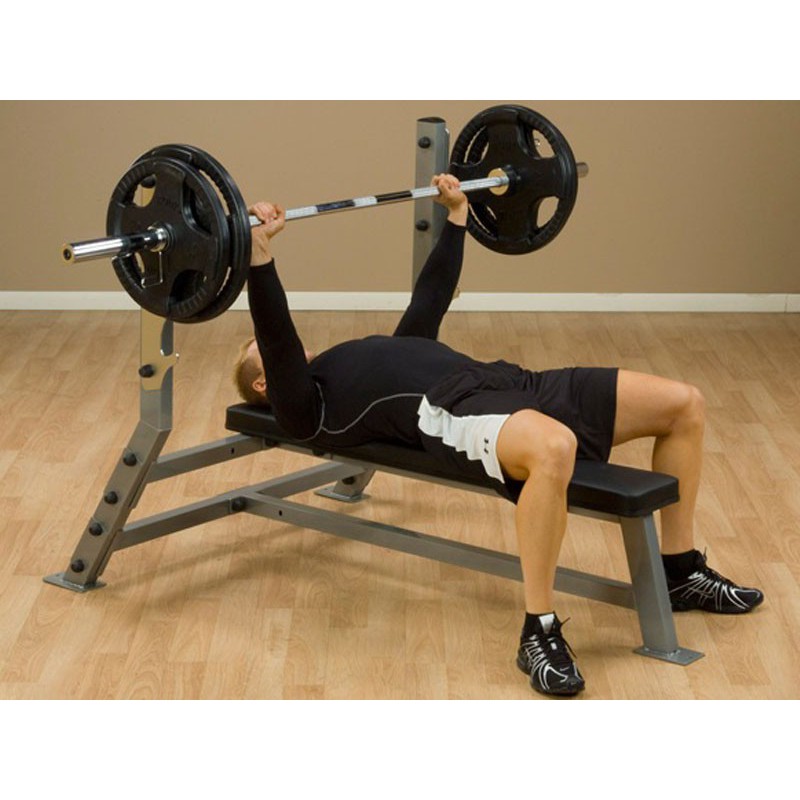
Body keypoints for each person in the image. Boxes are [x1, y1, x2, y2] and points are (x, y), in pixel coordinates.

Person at [235, 175, 764, 697]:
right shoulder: (308, 410)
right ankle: (539, 629)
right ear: (264, 384)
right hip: (453, 411)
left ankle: (679, 572)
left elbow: (429, 300)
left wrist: (457, 217)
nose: (281, 349)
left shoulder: (351, 359)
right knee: (554, 448)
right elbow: (277, 335)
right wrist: (260, 256)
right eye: (261, 356)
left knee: (683, 404)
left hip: (509, 380)